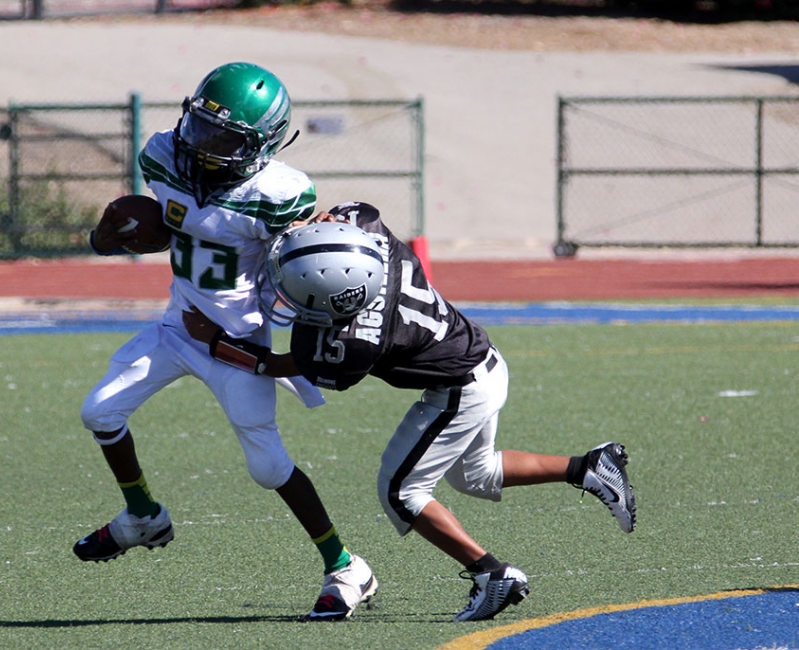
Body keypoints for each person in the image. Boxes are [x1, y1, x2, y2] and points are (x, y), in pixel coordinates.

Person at [182, 201, 637, 622]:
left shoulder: (352, 343)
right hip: (480, 359)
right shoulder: (367, 233)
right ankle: (590, 467)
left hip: (459, 388)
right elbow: (348, 215)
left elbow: (285, 364)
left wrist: (216, 344)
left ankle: (491, 574)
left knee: (400, 491)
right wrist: (312, 229)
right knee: (475, 476)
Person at [75, 63, 377, 621]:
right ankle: (142, 517)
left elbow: (298, 274)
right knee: (99, 410)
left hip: (239, 337)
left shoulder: (277, 193)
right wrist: (108, 234)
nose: (203, 146)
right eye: (200, 128)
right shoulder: (163, 155)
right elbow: (128, 233)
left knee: (267, 467)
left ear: (261, 146)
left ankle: (345, 565)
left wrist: (266, 345)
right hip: (177, 325)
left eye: (223, 140)